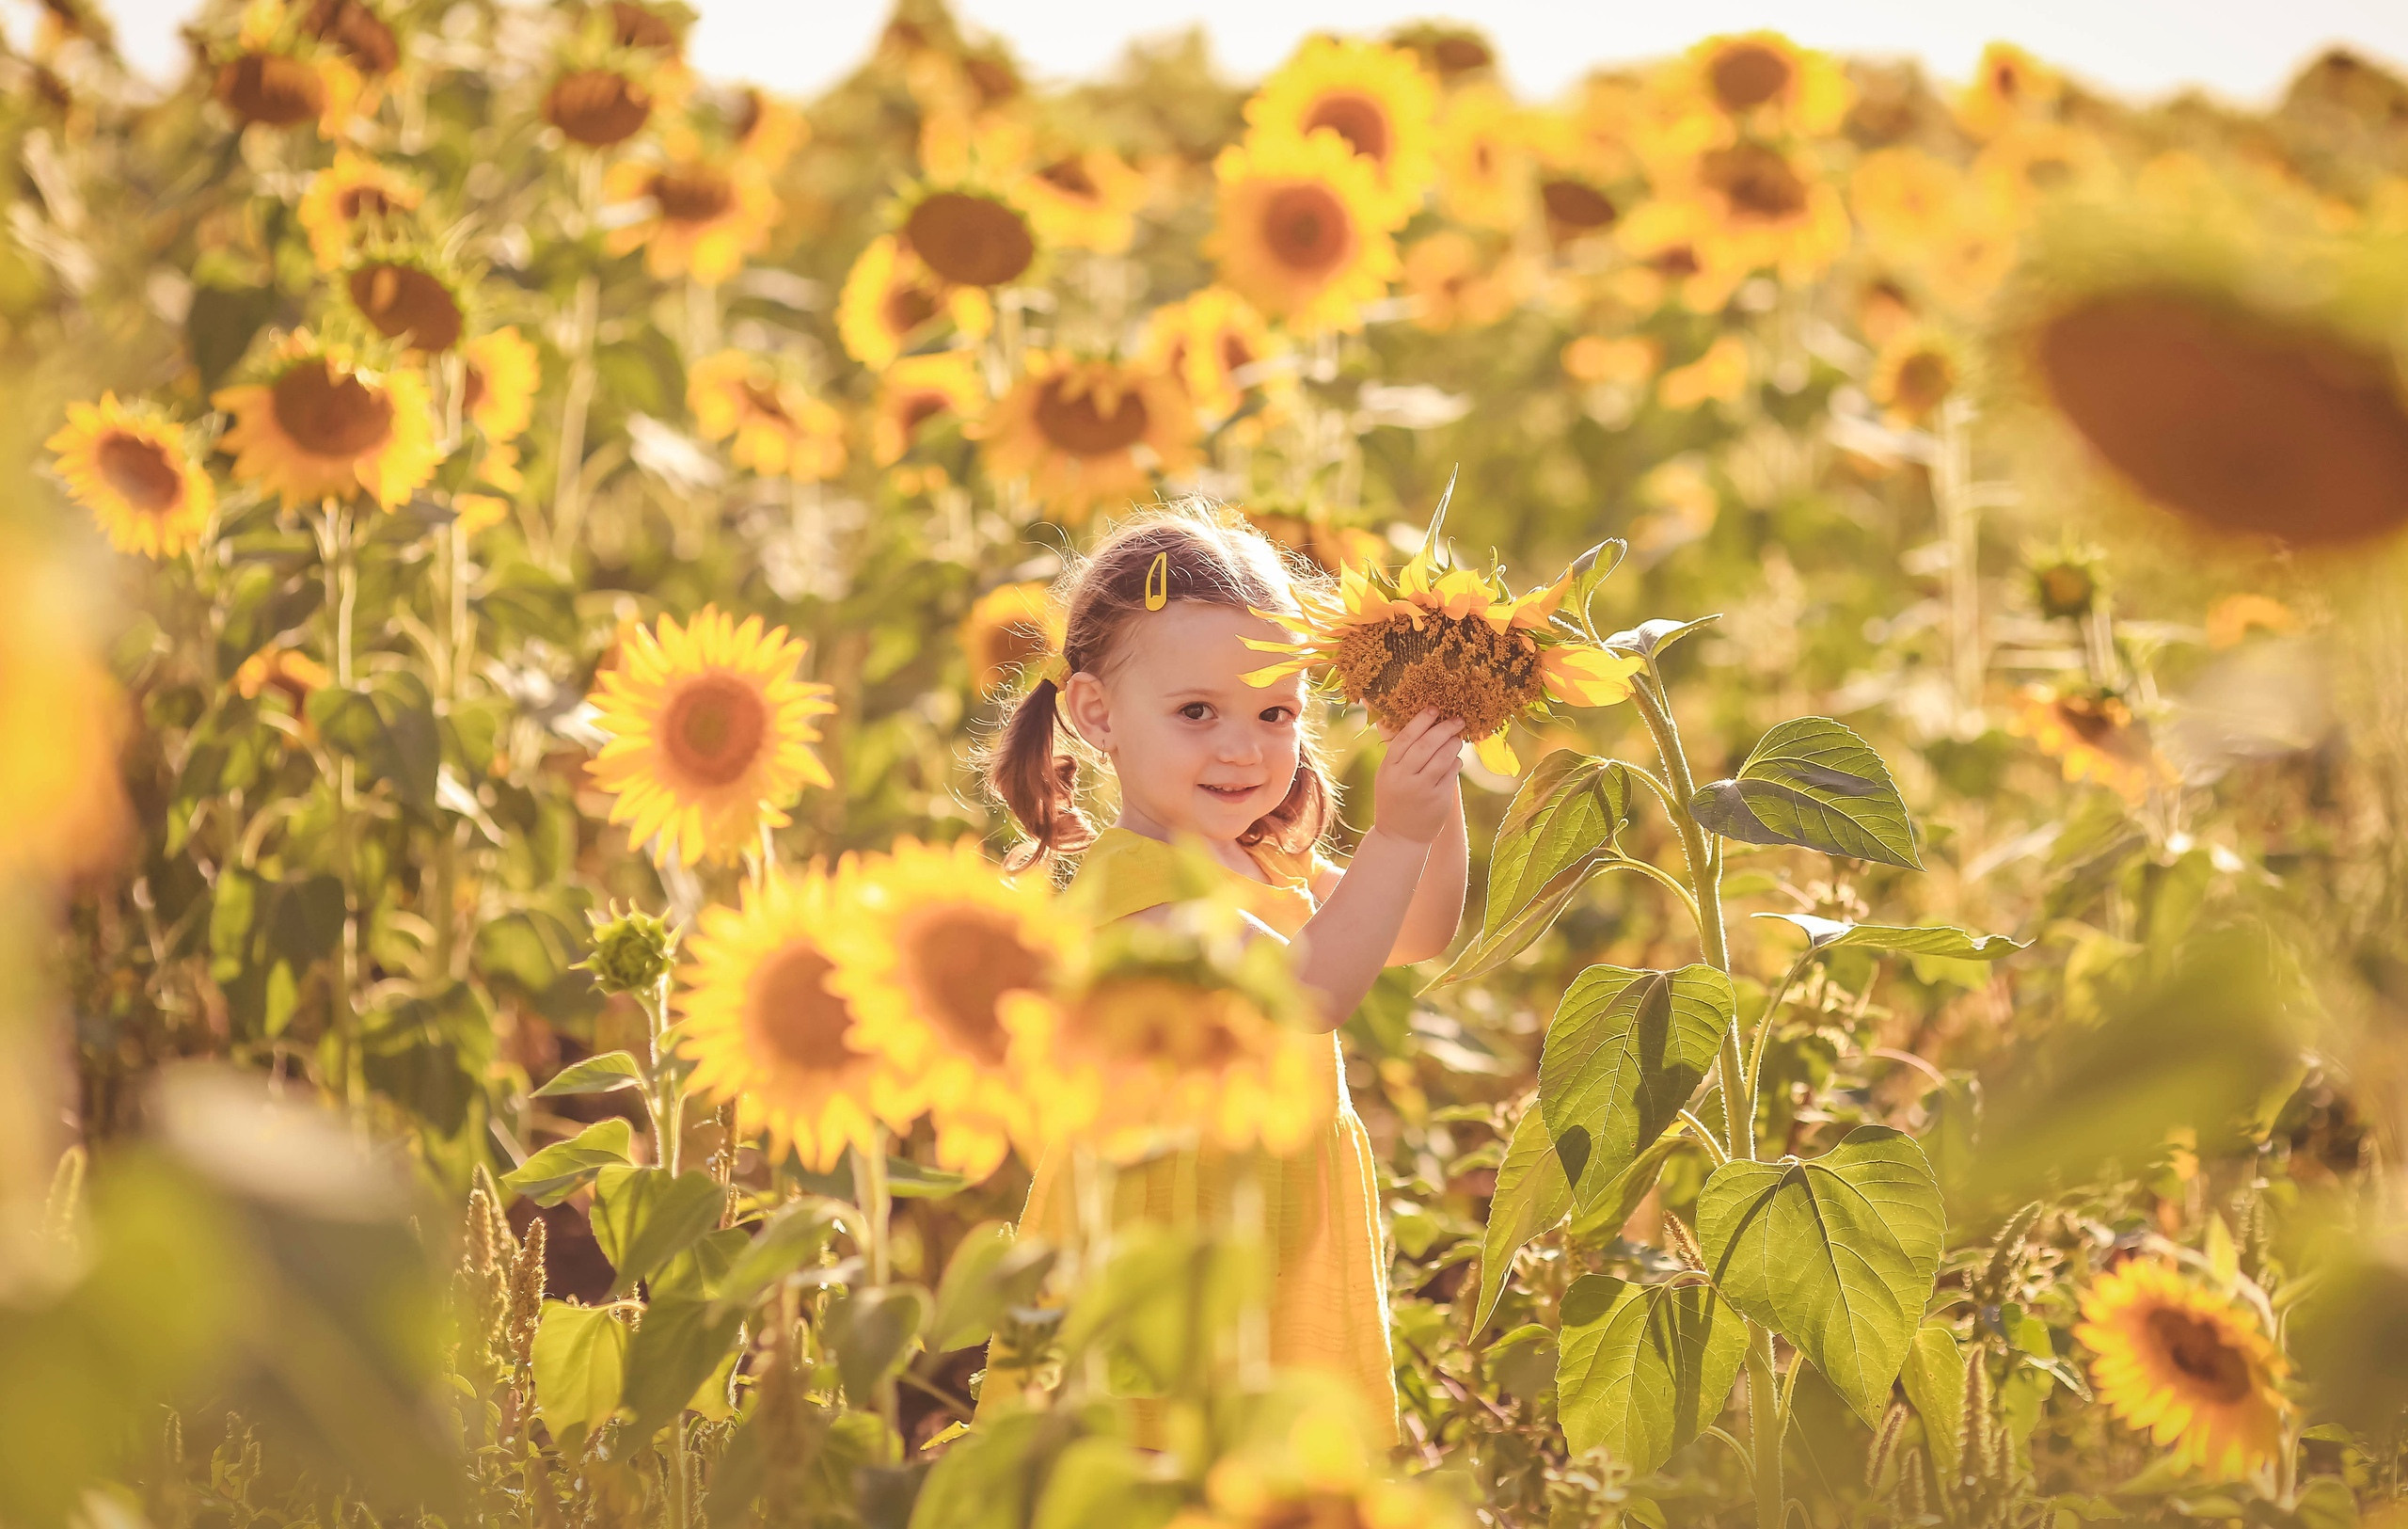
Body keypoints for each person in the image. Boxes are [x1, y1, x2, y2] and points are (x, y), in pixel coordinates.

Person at [980, 505, 1468, 1440]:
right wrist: (1395, 828)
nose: (1244, 748)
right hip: (1172, 1248)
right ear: (1096, 712)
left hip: (1273, 1219)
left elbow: (1414, 928)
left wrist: (1435, 794)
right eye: (1197, 711)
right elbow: (1310, 992)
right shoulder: (1136, 891)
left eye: (1275, 712)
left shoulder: (1264, 860)